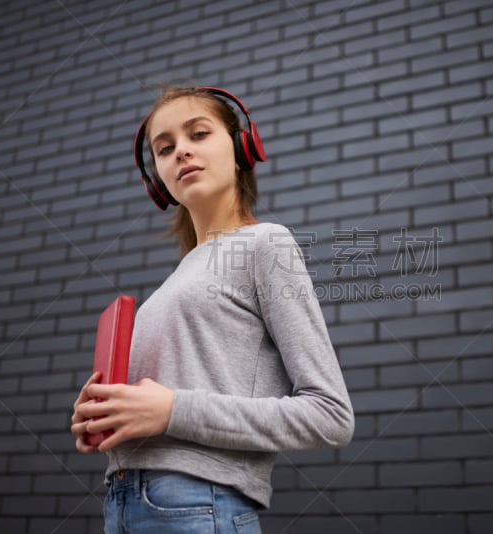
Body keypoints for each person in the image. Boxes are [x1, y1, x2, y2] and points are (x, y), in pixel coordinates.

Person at [70, 86, 355, 533]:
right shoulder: (178, 277)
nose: (181, 151)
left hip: (199, 504)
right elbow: (162, 405)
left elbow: (331, 416)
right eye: (164, 148)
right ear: (156, 178)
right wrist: (105, 415)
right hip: (124, 501)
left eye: (198, 134)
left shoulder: (265, 244)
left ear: (242, 147)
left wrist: (171, 411)